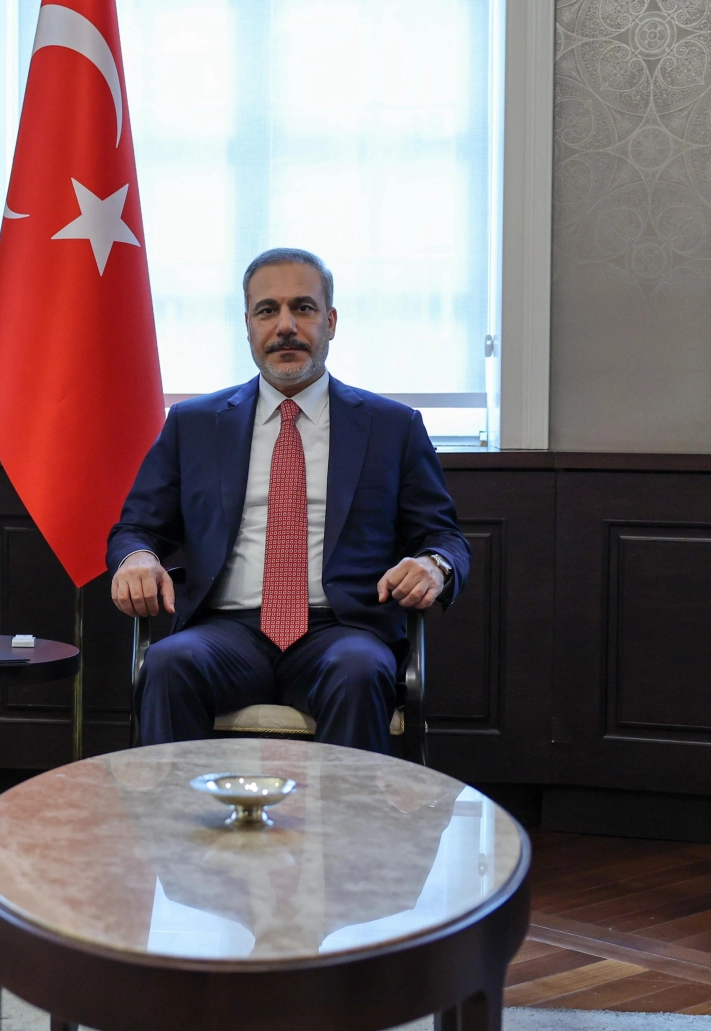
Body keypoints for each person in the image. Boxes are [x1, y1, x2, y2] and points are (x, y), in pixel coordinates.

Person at [108, 249, 470, 751]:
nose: (285, 326)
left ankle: (346, 808)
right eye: (267, 310)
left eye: (303, 308)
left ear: (330, 321)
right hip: (226, 631)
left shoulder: (392, 427)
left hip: (341, 630)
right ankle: (176, 808)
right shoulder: (194, 425)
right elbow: (136, 528)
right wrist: (137, 557)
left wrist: (434, 565)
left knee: (360, 671)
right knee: (168, 664)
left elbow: (443, 536)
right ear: (248, 325)